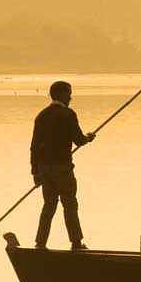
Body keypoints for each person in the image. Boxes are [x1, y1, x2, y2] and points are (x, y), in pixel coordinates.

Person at [30, 80, 96, 250]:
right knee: (70, 204)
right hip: (62, 169)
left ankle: (40, 243)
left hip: (44, 169)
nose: (71, 97)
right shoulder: (67, 114)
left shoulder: (41, 115)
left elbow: (34, 147)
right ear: (60, 94)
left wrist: (35, 173)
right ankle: (76, 243)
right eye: (69, 94)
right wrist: (89, 137)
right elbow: (79, 140)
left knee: (49, 205)